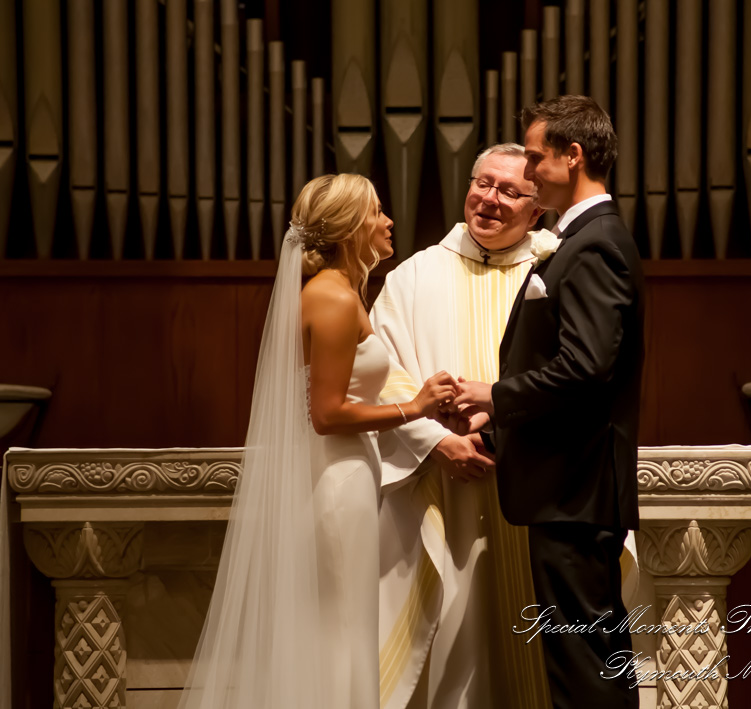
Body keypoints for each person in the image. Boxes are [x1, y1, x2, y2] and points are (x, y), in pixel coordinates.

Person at [177, 174, 457, 709]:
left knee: (344, 624)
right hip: (337, 478)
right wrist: (414, 407)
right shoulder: (330, 297)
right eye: (377, 212)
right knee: (341, 629)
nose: (388, 221)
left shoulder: (339, 292)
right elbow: (327, 413)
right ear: (352, 227)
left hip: (347, 473)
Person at [454, 96, 645, 709]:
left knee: (584, 669)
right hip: (570, 487)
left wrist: (497, 394)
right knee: (587, 662)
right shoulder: (584, 236)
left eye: (537, 157)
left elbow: (586, 369)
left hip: (576, 490)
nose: (528, 170)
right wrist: (495, 423)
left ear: (574, 155)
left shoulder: (595, 243)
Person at [372, 143, 551, 709]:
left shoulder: (555, 272)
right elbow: (381, 375)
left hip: (531, 487)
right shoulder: (414, 276)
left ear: (537, 209)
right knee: (451, 643)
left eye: (509, 191)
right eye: (483, 184)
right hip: (438, 488)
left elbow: (574, 375)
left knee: (534, 651)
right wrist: (438, 442)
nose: (490, 200)